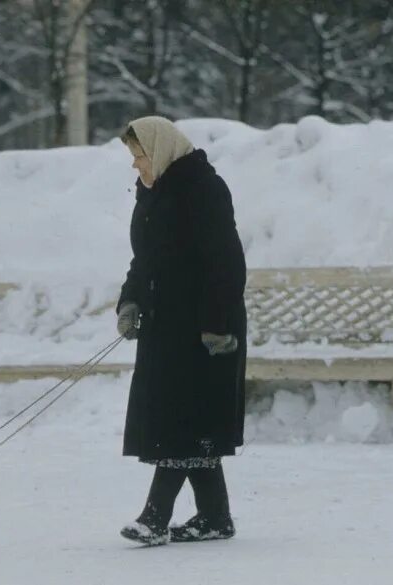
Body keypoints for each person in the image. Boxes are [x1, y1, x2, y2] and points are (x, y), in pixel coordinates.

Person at [115, 116, 248, 546]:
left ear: (160, 150)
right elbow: (145, 259)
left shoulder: (204, 189)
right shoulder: (153, 194)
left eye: (139, 155)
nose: (136, 165)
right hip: (165, 327)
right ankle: (214, 517)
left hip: (204, 330)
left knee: (182, 421)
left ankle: (154, 518)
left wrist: (218, 325)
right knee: (192, 424)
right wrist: (131, 300)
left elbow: (225, 262)